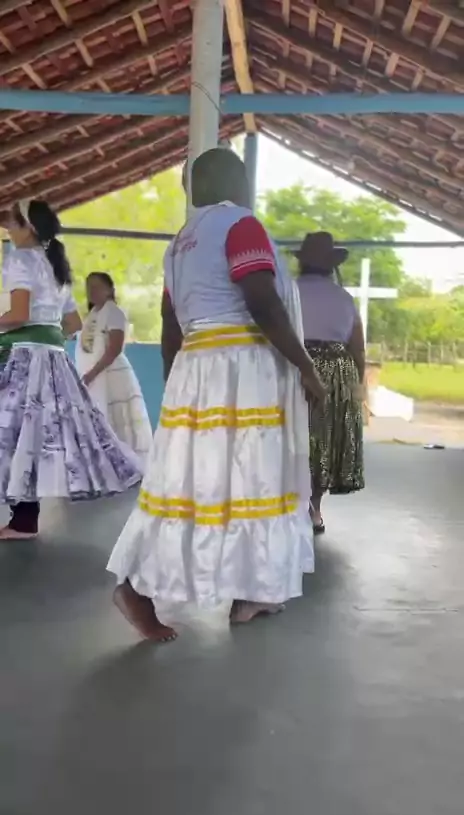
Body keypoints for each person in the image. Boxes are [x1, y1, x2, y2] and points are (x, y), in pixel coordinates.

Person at [107, 147, 325, 643]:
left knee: (194, 483)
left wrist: (176, 384)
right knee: (251, 476)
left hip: (196, 365)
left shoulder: (180, 243)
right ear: (238, 183)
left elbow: (170, 322)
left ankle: (242, 591)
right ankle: (160, 589)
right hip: (240, 366)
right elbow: (262, 302)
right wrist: (305, 366)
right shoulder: (241, 226)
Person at [0, 199, 143, 540]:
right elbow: (73, 323)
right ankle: (24, 520)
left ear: (27, 228)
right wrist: (48, 339)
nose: (8, 228)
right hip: (53, 360)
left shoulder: (19, 259)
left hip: (23, 357)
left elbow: (19, 314)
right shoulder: (55, 265)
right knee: (31, 435)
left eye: (12, 222)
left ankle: (23, 519)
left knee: (13, 431)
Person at [296, 231, 365, 535]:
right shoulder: (345, 299)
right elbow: (357, 348)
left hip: (294, 367)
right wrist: (357, 385)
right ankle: (314, 508)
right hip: (336, 373)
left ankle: (287, 505)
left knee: (291, 437)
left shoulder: (287, 291)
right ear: (331, 265)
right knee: (323, 443)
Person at [75, 271, 152, 466]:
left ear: (109, 289)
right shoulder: (92, 315)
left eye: (97, 286)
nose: (91, 291)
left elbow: (114, 348)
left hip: (111, 375)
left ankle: (124, 467)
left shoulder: (114, 313)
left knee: (116, 423)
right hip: (92, 377)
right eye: (88, 287)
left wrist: (92, 373)